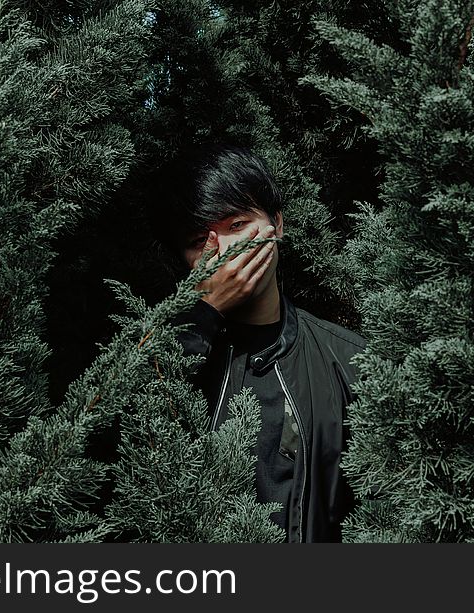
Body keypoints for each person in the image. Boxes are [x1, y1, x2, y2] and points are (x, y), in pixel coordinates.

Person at [151, 143, 366, 543]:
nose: (226, 252)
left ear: (277, 224)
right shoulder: (164, 361)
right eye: (201, 240)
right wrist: (206, 311)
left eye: (238, 226)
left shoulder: (348, 360)